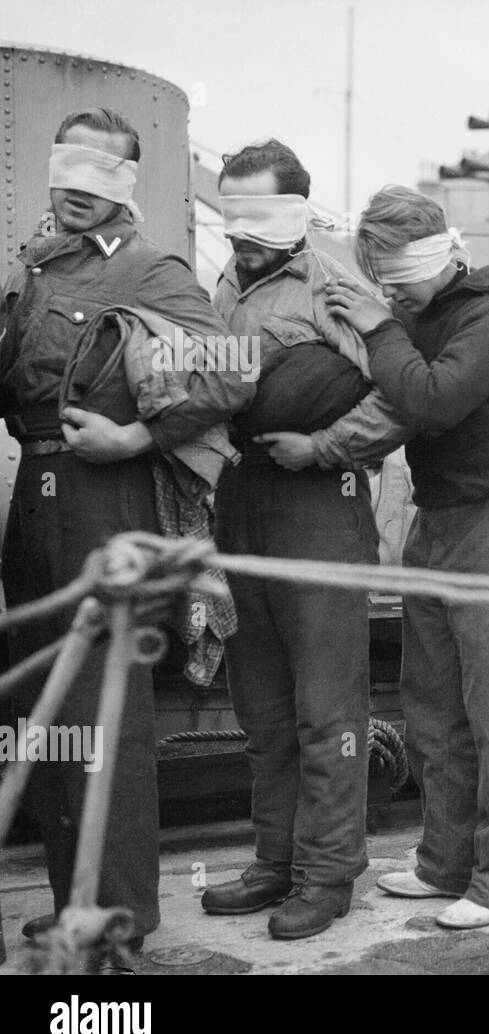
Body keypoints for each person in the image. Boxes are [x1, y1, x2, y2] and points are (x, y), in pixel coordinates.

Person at [0, 108, 254, 968]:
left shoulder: (151, 267)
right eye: (67, 168)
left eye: (99, 175)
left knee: (102, 710)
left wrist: (140, 438)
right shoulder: (36, 270)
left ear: (127, 185)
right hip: (35, 502)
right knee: (46, 708)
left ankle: (119, 912)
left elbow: (233, 372)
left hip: (102, 497)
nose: (77, 189)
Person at [325, 185, 489, 928]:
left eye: (397, 275)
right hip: (438, 519)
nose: (389, 291)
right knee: (431, 709)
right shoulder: (416, 315)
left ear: (437, 253)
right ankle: (444, 860)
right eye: (378, 278)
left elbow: (431, 398)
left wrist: (373, 324)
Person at [198, 140, 408, 939]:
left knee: (327, 705)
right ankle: (274, 859)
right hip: (243, 496)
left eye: (259, 214)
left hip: (318, 501)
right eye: (232, 212)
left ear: (299, 209)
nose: (242, 231)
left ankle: (326, 874)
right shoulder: (224, 280)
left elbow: (402, 392)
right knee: (261, 703)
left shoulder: (335, 285)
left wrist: (324, 447)